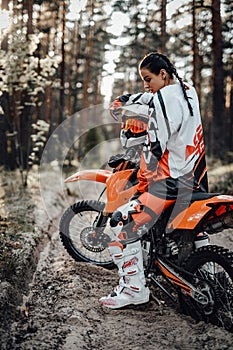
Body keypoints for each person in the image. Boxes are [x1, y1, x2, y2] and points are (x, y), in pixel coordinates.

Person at [99, 52, 208, 309]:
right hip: (197, 179)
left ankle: (134, 289)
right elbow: (151, 98)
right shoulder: (187, 90)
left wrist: (143, 180)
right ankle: (209, 273)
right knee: (195, 228)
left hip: (169, 183)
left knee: (121, 222)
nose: (145, 84)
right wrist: (128, 99)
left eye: (148, 78)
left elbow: (154, 148)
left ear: (162, 74)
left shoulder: (162, 99)